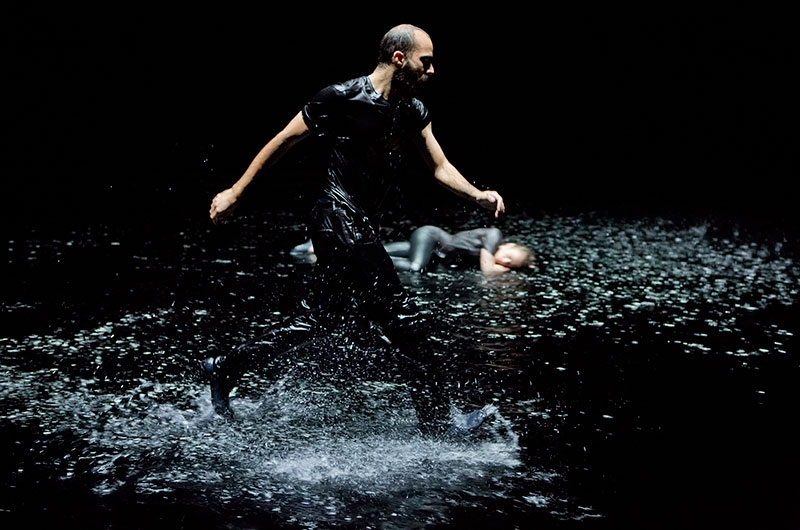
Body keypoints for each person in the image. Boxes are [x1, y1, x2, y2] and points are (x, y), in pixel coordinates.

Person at [206, 24, 505, 436]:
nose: (432, 70)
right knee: (404, 319)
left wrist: (477, 194)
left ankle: (224, 367)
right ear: (400, 58)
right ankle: (439, 425)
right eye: (426, 60)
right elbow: (282, 141)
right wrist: (236, 192)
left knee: (314, 323)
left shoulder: (412, 110)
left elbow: (439, 166)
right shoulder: (341, 97)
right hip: (335, 218)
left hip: (359, 224)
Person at [292, 225, 535, 274]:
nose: (504, 262)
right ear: (509, 245)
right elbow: (487, 269)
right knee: (414, 268)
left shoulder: (495, 248)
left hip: (430, 249)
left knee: (377, 249)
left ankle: (320, 246)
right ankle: (352, 263)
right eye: (508, 257)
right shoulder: (495, 236)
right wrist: (501, 271)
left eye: (509, 265)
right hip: (431, 237)